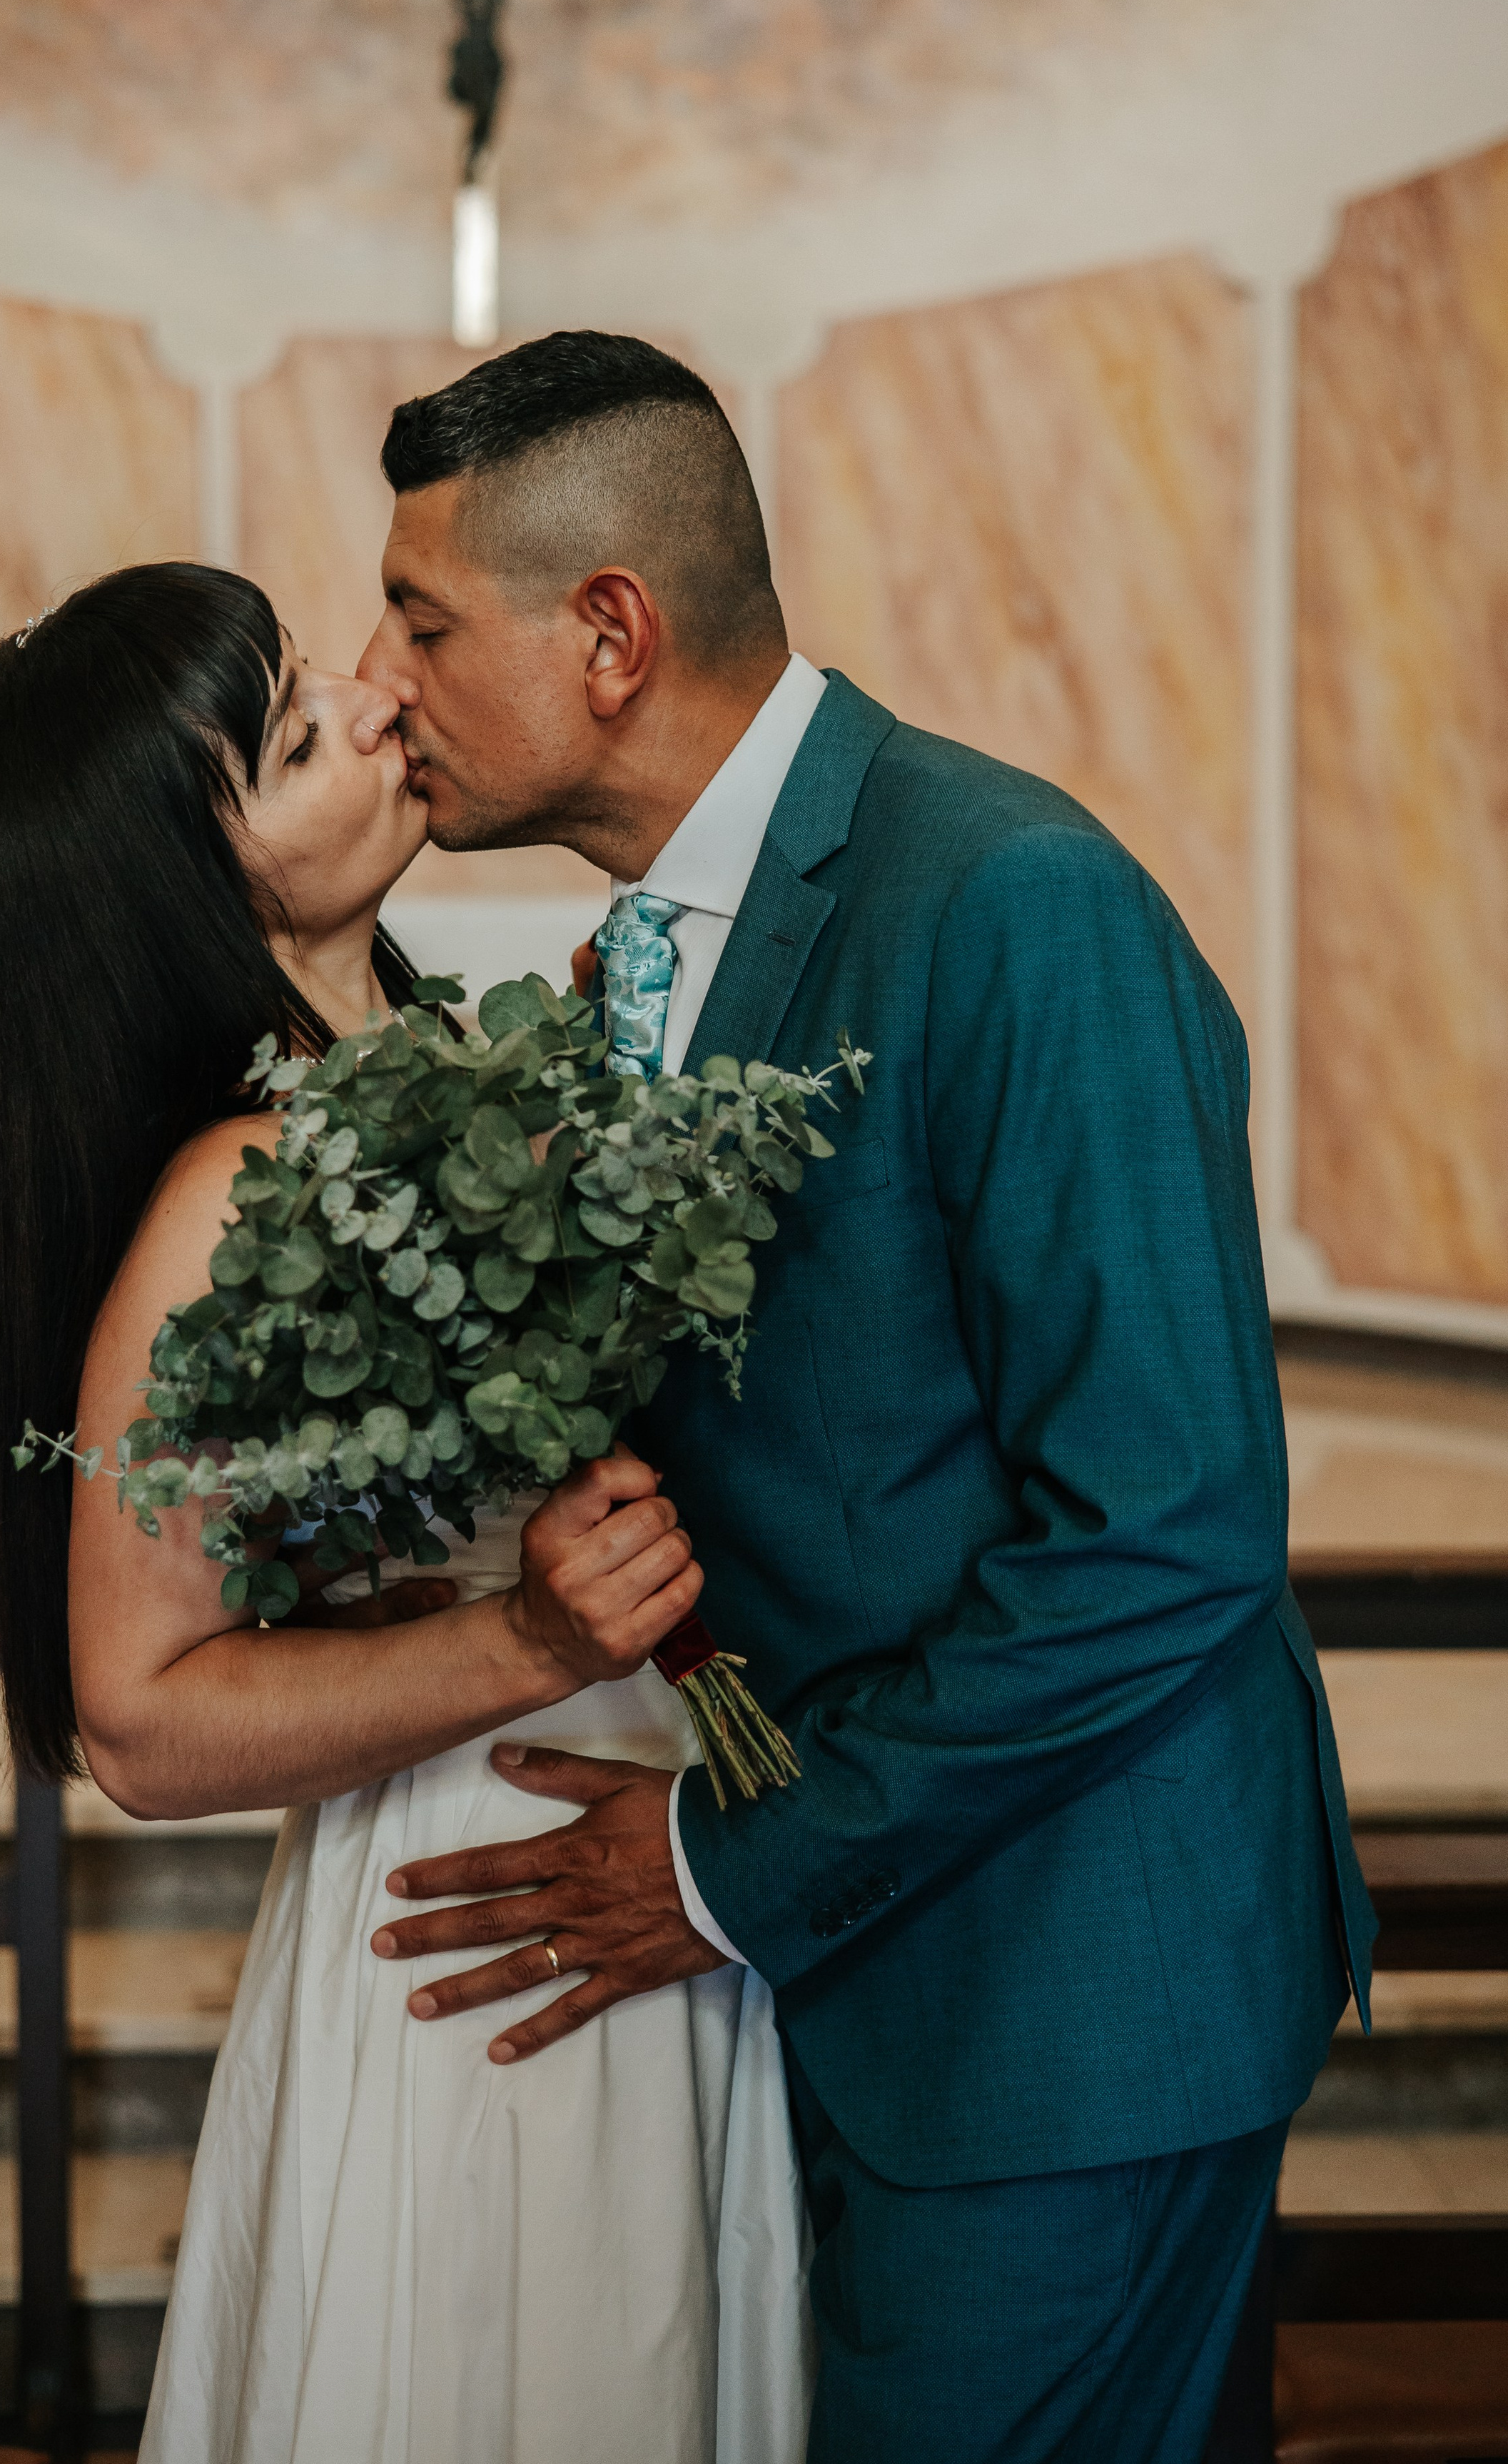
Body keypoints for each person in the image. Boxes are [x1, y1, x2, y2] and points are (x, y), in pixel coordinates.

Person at [355, 331, 1380, 2463]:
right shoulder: (659, 945)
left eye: (425, 622)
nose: (383, 684)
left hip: (1069, 1992)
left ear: (611, 636)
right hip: (902, 1962)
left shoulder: (1014, 903)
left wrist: (738, 1872)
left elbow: (1168, 1526)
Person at [0, 562, 811, 2464]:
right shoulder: (228, 1196)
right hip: (483, 1893)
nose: (383, 706)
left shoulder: (410, 1081)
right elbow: (137, 1717)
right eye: (303, 735)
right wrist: (535, 1634)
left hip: (632, 1844)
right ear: (197, 882)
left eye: (328, 679)